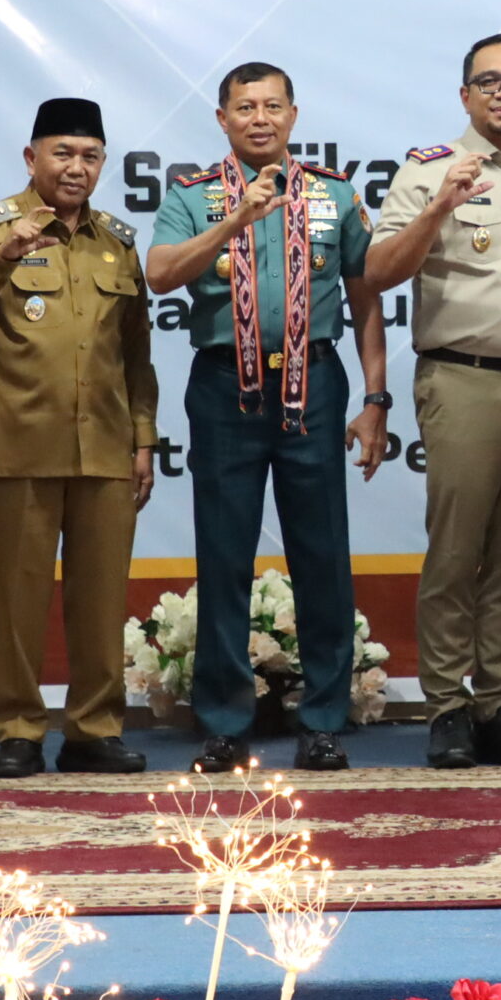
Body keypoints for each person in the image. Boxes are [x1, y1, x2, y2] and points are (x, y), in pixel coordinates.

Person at [148, 61, 389, 774]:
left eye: (272, 105)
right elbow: (160, 273)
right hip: (226, 388)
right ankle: (224, 721)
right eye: (244, 106)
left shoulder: (333, 192)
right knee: (223, 555)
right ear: (222, 119)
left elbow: (368, 295)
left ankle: (322, 719)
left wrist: (376, 398)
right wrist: (237, 219)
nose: (260, 117)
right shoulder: (192, 195)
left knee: (323, 554)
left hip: (314, 382)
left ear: (293, 114)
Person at [364, 33, 501, 769]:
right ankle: (447, 708)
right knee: (457, 552)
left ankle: (500, 704)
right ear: (465, 96)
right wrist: (439, 208)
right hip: (462, 378)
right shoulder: (429, 171)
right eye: (488, 81)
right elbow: (380, 270)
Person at [0, 97, 159, 778]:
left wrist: (144, 438)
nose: (75, 167)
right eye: (62, 152)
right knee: (18, 600)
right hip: (17, 445)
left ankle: (93, 728)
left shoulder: (116, 241)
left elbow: (136, 355)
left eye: (89, 155)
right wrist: (5, 254)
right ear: (32, 158)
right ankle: (19, 729)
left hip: (108, 448)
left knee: (101, 600)